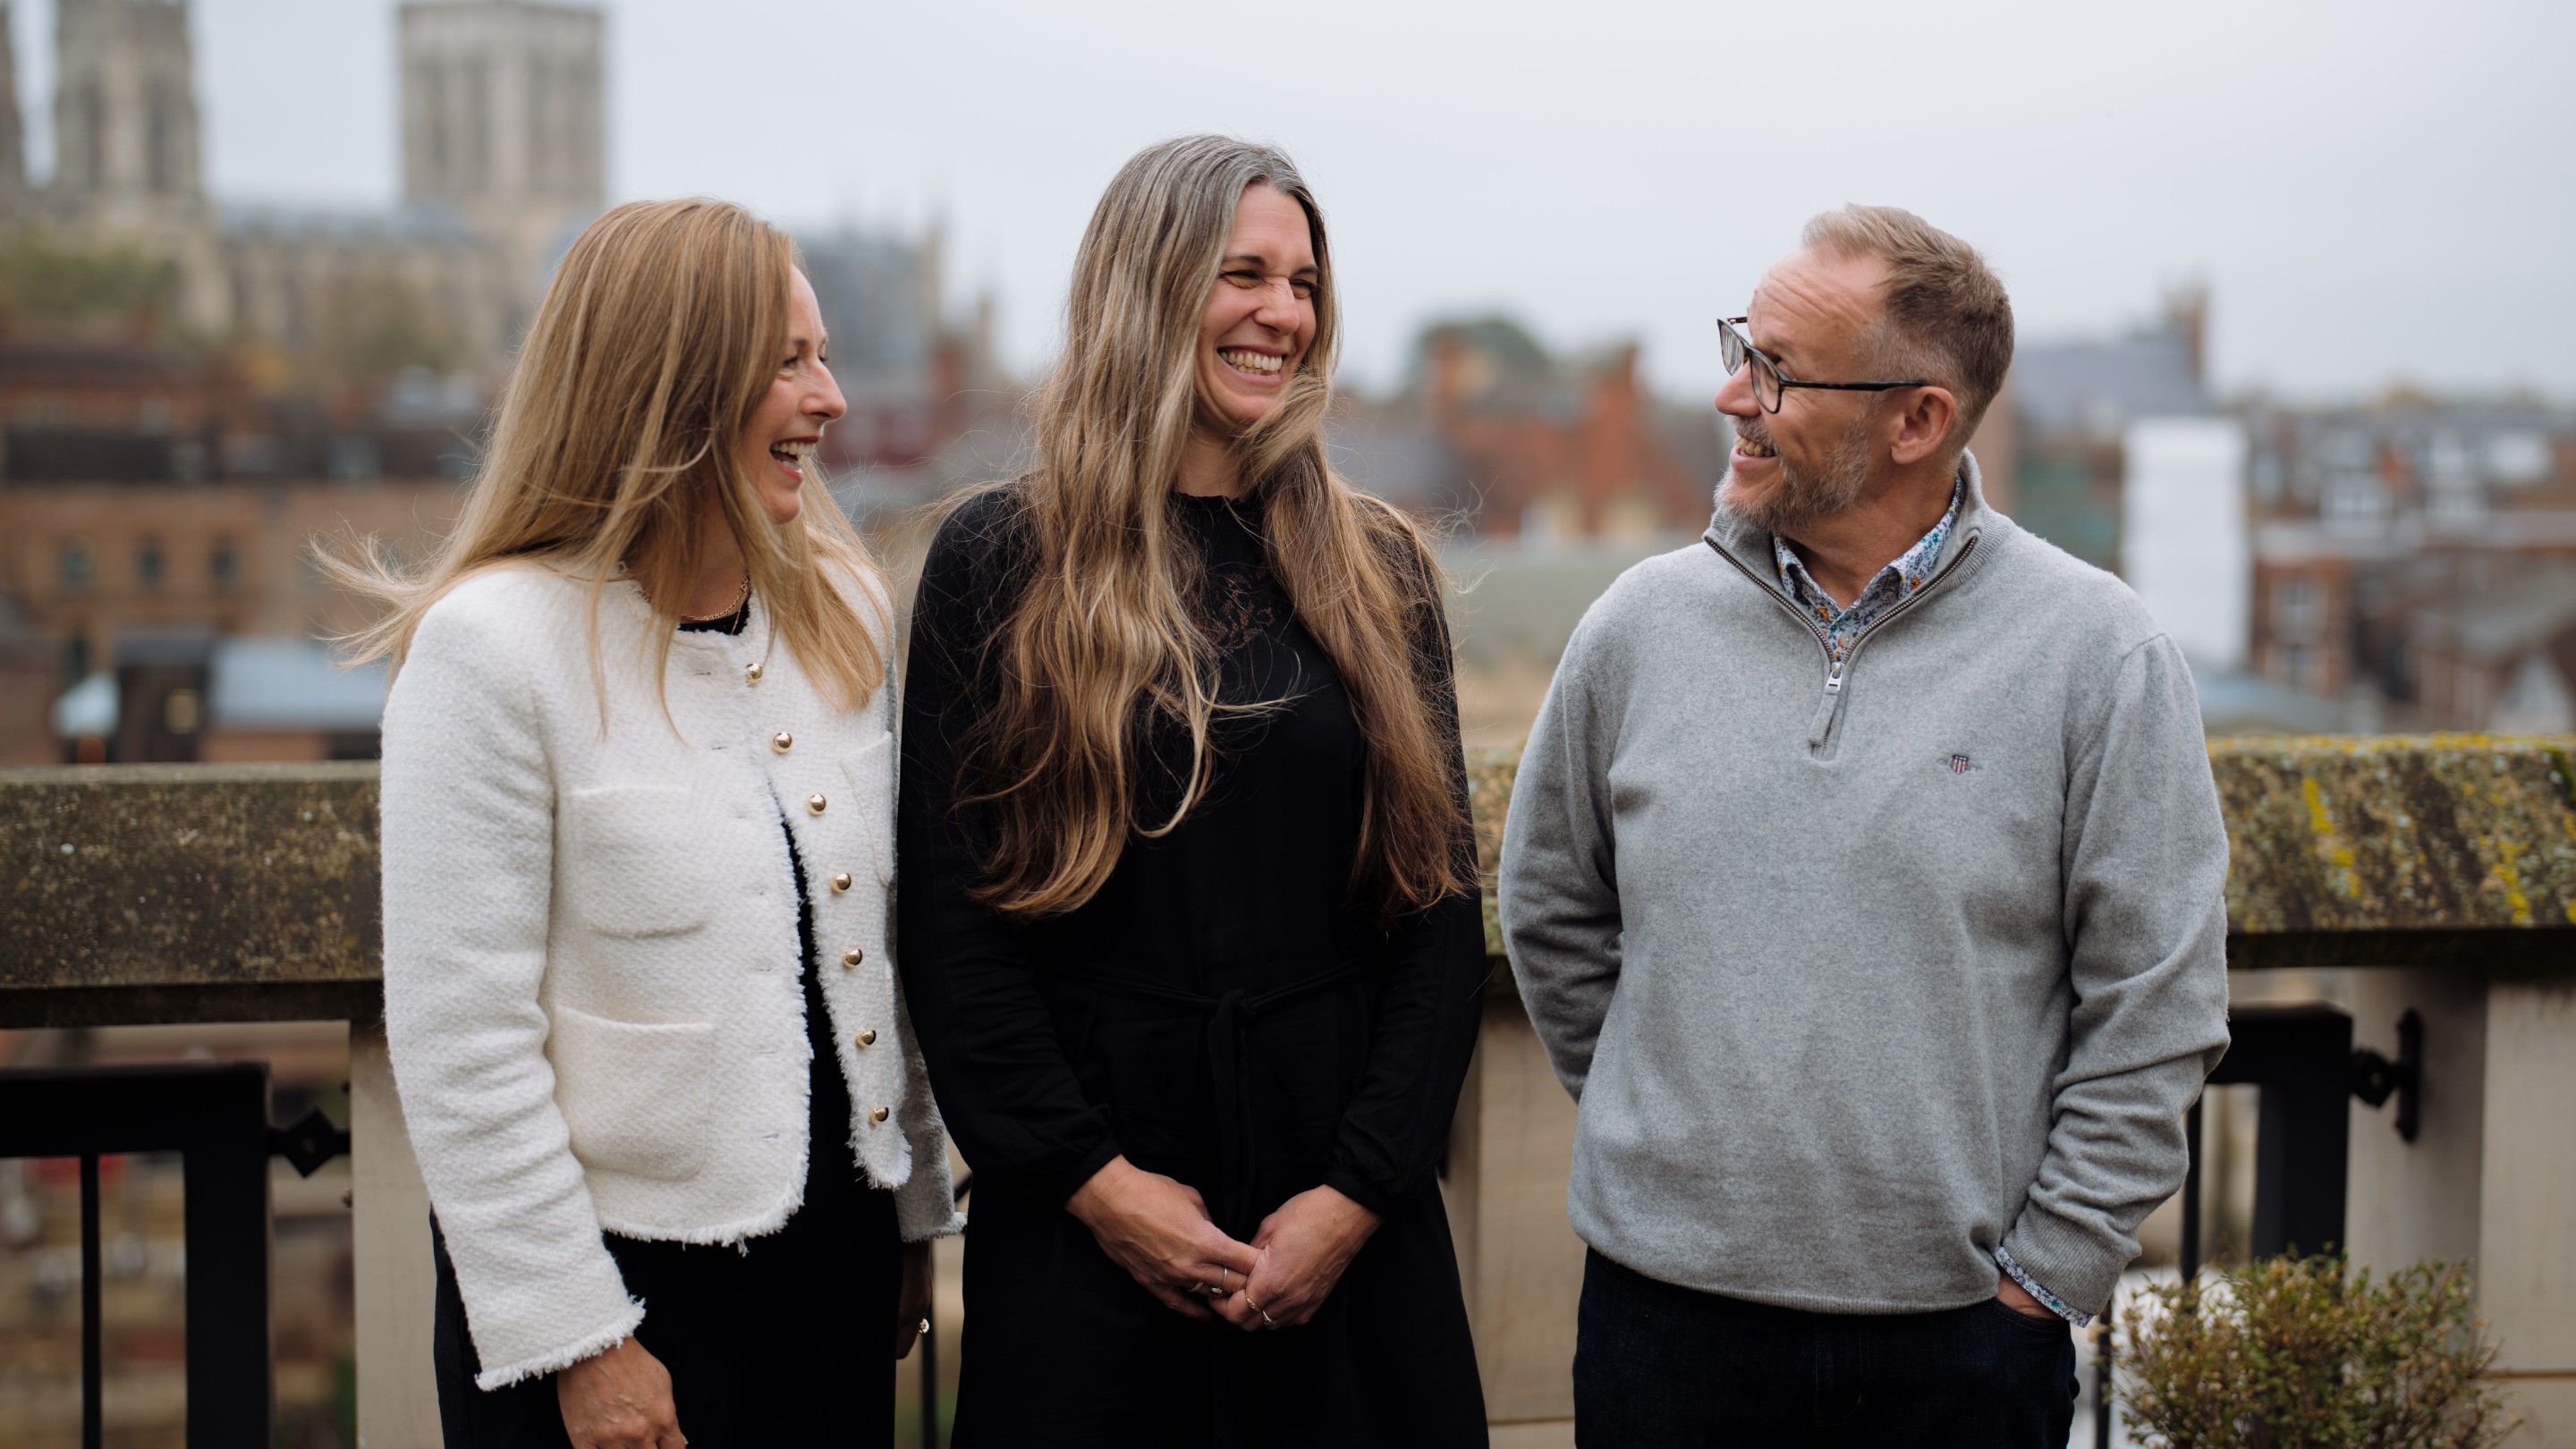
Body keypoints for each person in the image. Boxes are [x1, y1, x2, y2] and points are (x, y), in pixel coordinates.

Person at [1498, 206, 2231, 1447]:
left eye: (1778, 370)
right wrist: (1667, 1129)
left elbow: (2158, 999)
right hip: (1661, 1326)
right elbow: (1551, 911)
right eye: (1741, 347)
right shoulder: (1637, 627)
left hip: (1964, 1347)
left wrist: (2050, 1273)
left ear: (1918, 421)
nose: (1732, 394)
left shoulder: (2098, 655)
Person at [895, 135, 1490, 1447]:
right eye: (1244, 275)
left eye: (1304, 283)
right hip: (1087, 1246)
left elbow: (1440, 920)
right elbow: (954, 933)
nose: (1284, 314)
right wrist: (1097, 1187)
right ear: (1149, 288)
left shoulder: (1377, 568)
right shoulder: (998, 560)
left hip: (1342, 1228)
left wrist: (1357, 1194)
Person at [352, 198, 962, 1449]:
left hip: (834, 1270)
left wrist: (909, 1212)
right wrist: (582, 1339)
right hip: (609, 1294)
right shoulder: (490, 650)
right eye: (788, 363)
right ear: (672, 386)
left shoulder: (843, 611)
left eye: (825, 356)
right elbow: (464, 1044)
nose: (832, 398)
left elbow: (874, 944)